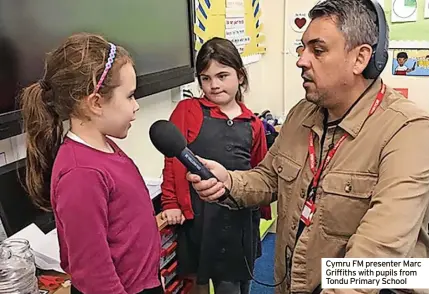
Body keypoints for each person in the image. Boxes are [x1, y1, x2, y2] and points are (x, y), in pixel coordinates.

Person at [186, 1, 429, 294]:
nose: (301, 60)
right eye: (303, 48)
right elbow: (268, 178)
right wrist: (230, 182)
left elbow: (377, 252)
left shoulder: (408, 130)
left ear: (361, 58)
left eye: (318, 50)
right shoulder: (303, 112)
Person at [20, 33, 163, 294]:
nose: (137, 106)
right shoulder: (81, 173)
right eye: (130, 96)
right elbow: (93, 276)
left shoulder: (105, 147)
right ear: (96, 103)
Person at [160, 37, 271, 294]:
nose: (214, 85)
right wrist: (171, 203)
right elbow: (172, 161)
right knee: (200, 280)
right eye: (206, 78)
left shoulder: (252, 123)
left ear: (240, 76)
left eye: (222, 76)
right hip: (201, 218)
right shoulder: (188, 110)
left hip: (240, 218)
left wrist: (262, 211)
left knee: (237, 283)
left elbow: (261, 171)